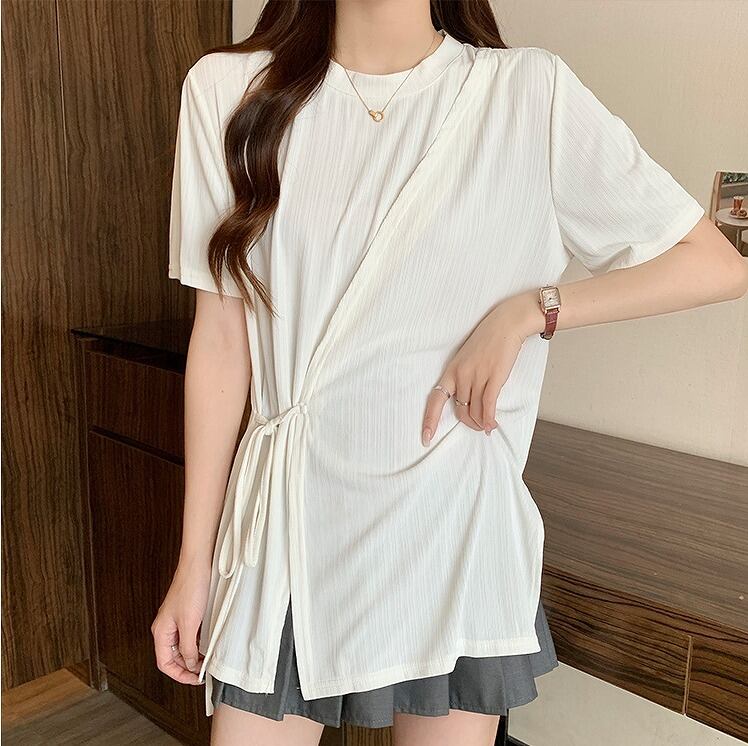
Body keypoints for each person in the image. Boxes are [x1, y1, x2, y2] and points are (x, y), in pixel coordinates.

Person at [151, 1, 748, 745]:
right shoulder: (228, 90)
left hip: (453, 523)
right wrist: (195, 563)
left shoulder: (527, 93)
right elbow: (220, 342)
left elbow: (714, 264)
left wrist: (531, 310)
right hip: (288, 527)